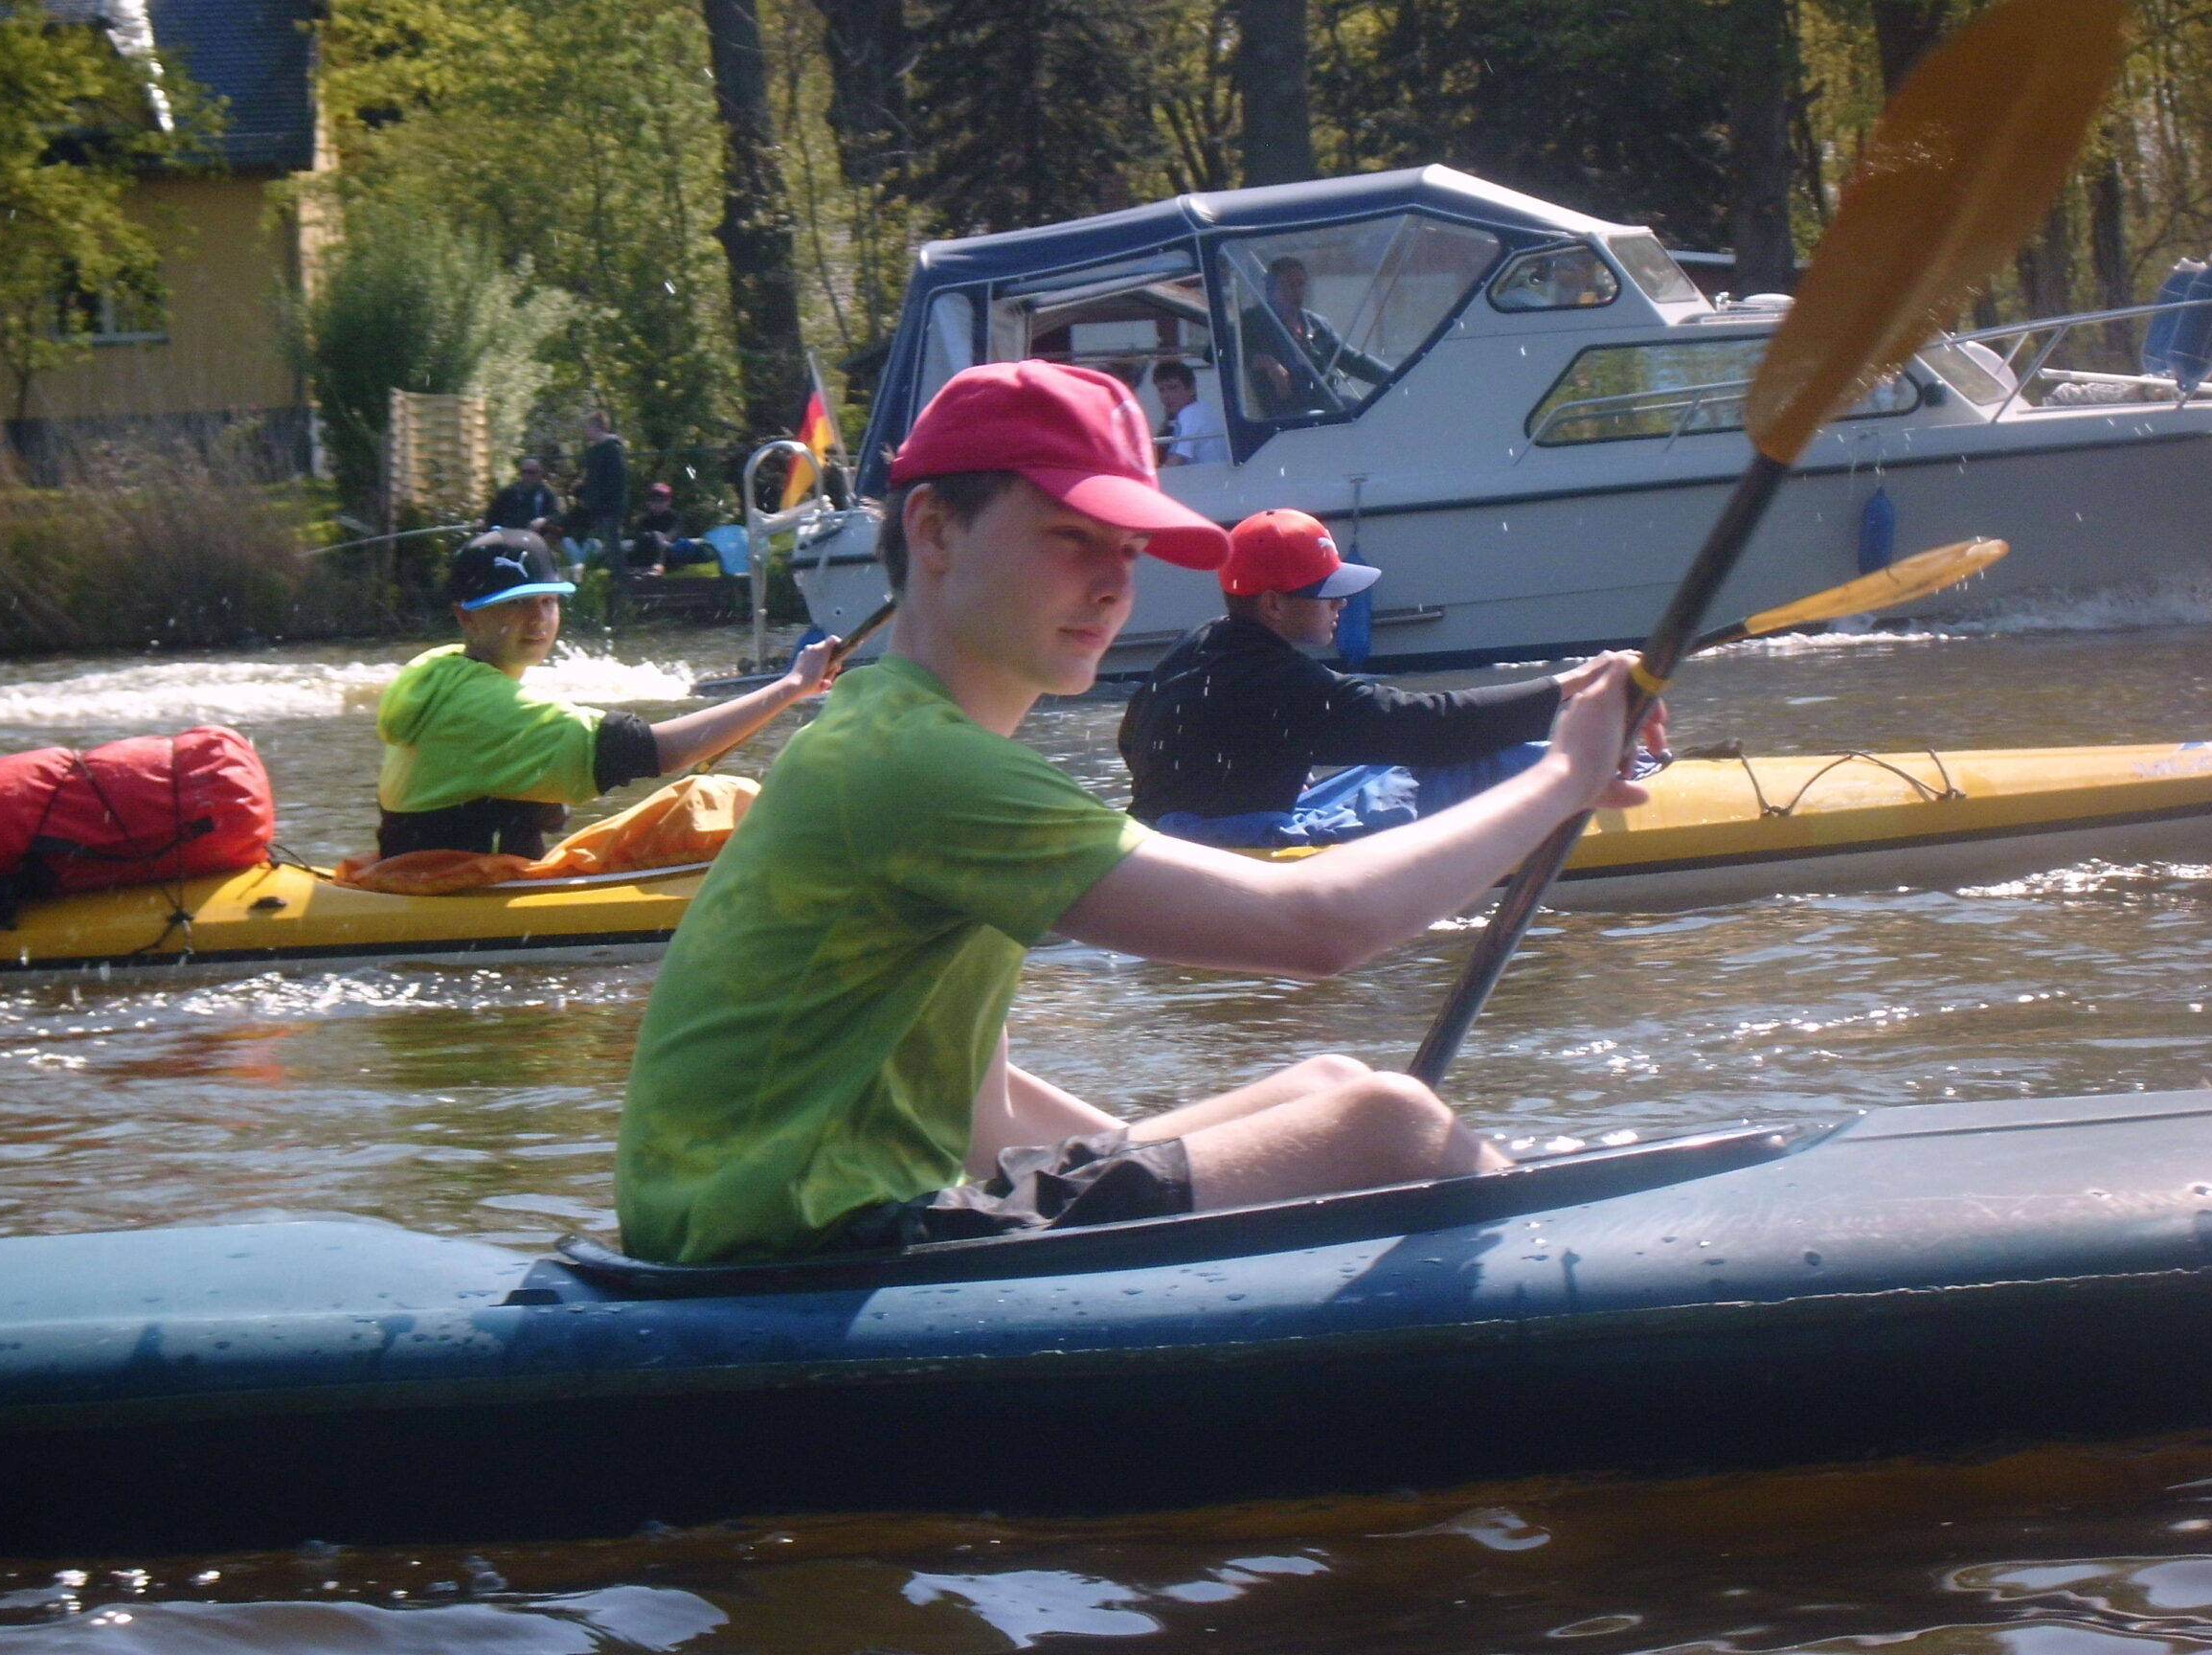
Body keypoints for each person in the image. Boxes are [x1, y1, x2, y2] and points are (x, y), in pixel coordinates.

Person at [614, 359, 1649, 1266]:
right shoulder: (918, 764)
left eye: (1129, 551)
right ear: (933, 530)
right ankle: (1612, 1324)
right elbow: (1317, 932)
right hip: (785, 1242)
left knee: (1328, 1082)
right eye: (1072, 539)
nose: (1115, 588)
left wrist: (1173, 1187)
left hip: (754, 1217)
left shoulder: (888, 731)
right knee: (1386, 1124)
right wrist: (1559, 781)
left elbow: (985, 1102)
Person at [1119, 509, 1669, 849]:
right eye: (1326, 591)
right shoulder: (1280, 679)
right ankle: (1633, 777)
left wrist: (1247, 771)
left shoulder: (1200, 643)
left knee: (1399, 761)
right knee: (1480, 758)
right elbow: (1434, 729)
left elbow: (1134, 737)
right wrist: (1581, 679)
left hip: (1173, 826)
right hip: (1231, 842)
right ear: (1272, 604)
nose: (1342, 602)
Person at [375, 529, 835, 860]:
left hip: (433, 876)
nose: (537, 619)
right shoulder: (481, 705)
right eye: (514, 603)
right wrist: (791, 686)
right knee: (715, 799)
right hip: (458, 890)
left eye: (547, 601)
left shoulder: (438, 672)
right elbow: (654, 751)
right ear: (466, 617)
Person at [1237, 256, 1391, 419]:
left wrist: (1396, 377)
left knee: (1374, 413)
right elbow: (1217, 352)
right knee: (1318, 417)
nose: (1296, 292)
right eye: (1288, 286)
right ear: (1270, 290)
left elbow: (1352, 360)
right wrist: (1265, 361)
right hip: (1286, 412)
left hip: (1327, 403)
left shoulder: (1317, 324)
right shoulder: (1253, 322)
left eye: (1300, 284)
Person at [564, 410, 629, 612]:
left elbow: (614, 482)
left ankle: (619, 579)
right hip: (598, 506)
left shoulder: (612, 450)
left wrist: (601, 500)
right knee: (605, 541)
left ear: (596, 428)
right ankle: (606, 575)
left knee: (612, 541)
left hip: (610, 505)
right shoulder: (595, 452)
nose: (585, 432)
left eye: (587, 427)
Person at [1152, 360, 1227, 467]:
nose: (1165, 396)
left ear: (1192, 389)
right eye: (1161, 390)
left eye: (1172, 388)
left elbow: (1174, 463)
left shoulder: (1188, 415)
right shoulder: (1206, 409)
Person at [631, 480, 715, 576]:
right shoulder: (645, 520)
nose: (657, 504)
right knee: (647, 539)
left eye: (661, 501)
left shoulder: (675, 517)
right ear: (649, 503)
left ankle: (658, 566)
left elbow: (671, 535)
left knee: (656, 535)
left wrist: (658, 539)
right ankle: (640, 569)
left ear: (668, 502)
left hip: (671, 554)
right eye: (654, 501)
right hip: (650, 553)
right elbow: (640, 537)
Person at [484, 456, 561, 534]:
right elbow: (492, 517)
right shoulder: (508, 492)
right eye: (524, 472)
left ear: (540, 473)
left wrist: (544, 520)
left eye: (531, 472)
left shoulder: (547, 494)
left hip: (535, 538)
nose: (527, 475)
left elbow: (556, 515)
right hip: (508, 536)